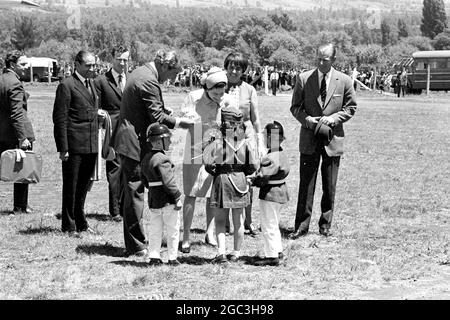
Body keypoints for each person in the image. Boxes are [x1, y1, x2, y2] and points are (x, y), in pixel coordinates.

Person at [112, 49, 193, 257]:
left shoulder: (140, 72)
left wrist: (165, 113)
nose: (170, 80)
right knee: (135, 191)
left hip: (131, 138)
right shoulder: (149, 80)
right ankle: (136, 245)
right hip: (134, 142)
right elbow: (155, 115)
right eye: (172, 74)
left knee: (135, 190)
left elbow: (147, 109)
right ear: (165, 65)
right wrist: (179, 123)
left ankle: (139, 240)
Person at [289, 43, 357, 239]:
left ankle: (325, 225)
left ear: (333, 60)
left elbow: (350, 108)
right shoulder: (303, 79)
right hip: (309, 139)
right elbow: (295, 107)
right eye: (318, 58)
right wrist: (306, 119)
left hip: (332, 140)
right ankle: (301, 226)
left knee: (330, 185)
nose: (320, 62)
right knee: (306, 184)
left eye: (325, 60)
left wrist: (334, 118)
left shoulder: (344, 81)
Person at [180, 67, 229, 253]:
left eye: (221, 92)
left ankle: (210, 233)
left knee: (211, 193)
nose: (219, 95)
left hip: (215, 148)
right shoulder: (194, 97)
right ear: (207, 89)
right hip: (195, 146)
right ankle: (185, 237)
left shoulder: (226, 99)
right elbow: (185, 117)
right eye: (215, 93)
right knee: (191, 192)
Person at [203, 106, 258, 263]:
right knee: (238, 220)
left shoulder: (217, 143)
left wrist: (218, 172)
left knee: (220, 220)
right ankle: (236, 253)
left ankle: (221, 253)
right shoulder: (245, 144)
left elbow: (208, 164)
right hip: (240, 180)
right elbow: (253, 166)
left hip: (222, 179)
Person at [53, 50, 99, 236]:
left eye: (93, 65)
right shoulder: (66, 85)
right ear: (77, 64)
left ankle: (81, 222)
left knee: (83, 186)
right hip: (74, 145)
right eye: (88, 65)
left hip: (90, 143)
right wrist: (63, 148)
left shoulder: (92, 84)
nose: (92, 68)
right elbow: (60, 118)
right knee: (71, 186)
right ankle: (69, 225)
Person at [224, 52, 263, 236]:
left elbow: (255, 118)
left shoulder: (250, 89)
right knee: (224, 178)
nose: (233, 71)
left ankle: (248, 221)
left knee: (247, 178)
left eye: (237, 68)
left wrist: (259, 139)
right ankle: (224, 224)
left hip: (245, 139)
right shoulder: (219, 87)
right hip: (224, 140)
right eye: (230, 66)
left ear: (243, 70)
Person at [94, 45, 130, 222]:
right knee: (114, 169)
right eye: (119, 59)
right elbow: (95, 106)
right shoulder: (101, 81)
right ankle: (115, 210)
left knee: (128, 169)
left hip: (130, 131)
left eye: (125, 59)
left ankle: (125, 207)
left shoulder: (131, 79)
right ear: (112, 59)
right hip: (111, 130)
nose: (122, 63)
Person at [141, 123, 182, 266]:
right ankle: (172, 257)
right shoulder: (163, 159)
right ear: (159, 141)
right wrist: (177, 196)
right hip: (167, 200)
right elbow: (168, 181)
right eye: (167, 139)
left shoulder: (146, 158)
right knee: (173, 229)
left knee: (155, 229)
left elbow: (144, 180)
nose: (170, 141)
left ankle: (154, 256)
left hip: (154, 199)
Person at [0, 50, 35, 215]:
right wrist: (23, 138)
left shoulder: (3, 79)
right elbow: (17, 113)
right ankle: (21, 206)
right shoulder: (14, 83)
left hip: (3, 131)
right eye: (23, 64)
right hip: (14, 133)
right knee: (22, 168)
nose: (27, 67)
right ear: (12, 65)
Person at [251, 121, 290, 266]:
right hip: (280, 192)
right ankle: (277, 251)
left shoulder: (270, 157)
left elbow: (262, 178)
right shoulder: (280, 153)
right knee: (274, 223)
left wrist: (252, 181)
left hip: (270, 193)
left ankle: (271, 255)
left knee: (268, 225)